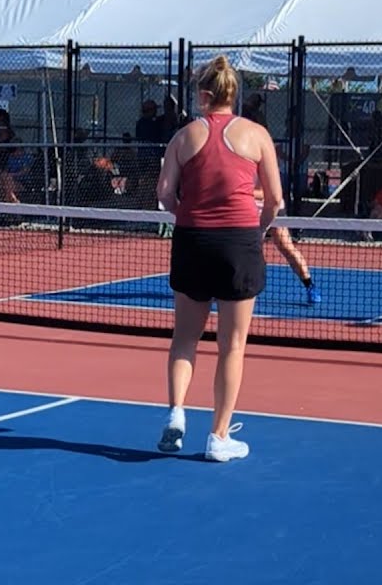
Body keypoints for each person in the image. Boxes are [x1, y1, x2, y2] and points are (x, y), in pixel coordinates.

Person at [155, 55, 282, 462]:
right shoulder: (257, 134)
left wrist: (187, 216)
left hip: (192, 241)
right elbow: (275, 199)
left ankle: (176, 413)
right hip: (238, 244)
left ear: (204, 95)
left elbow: (164, 194)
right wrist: (257, 228)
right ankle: (219, 437)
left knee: (184, 339)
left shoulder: (184, 136)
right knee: (232, 346)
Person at [242, 97, 320, 305]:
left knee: (285, 246)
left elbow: (265, 191)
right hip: (249, 209)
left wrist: (241, 191)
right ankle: (242, 287)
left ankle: (310, 285)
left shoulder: (264, 151)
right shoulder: (238, 152)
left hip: (271, 206)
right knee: (245, 248)